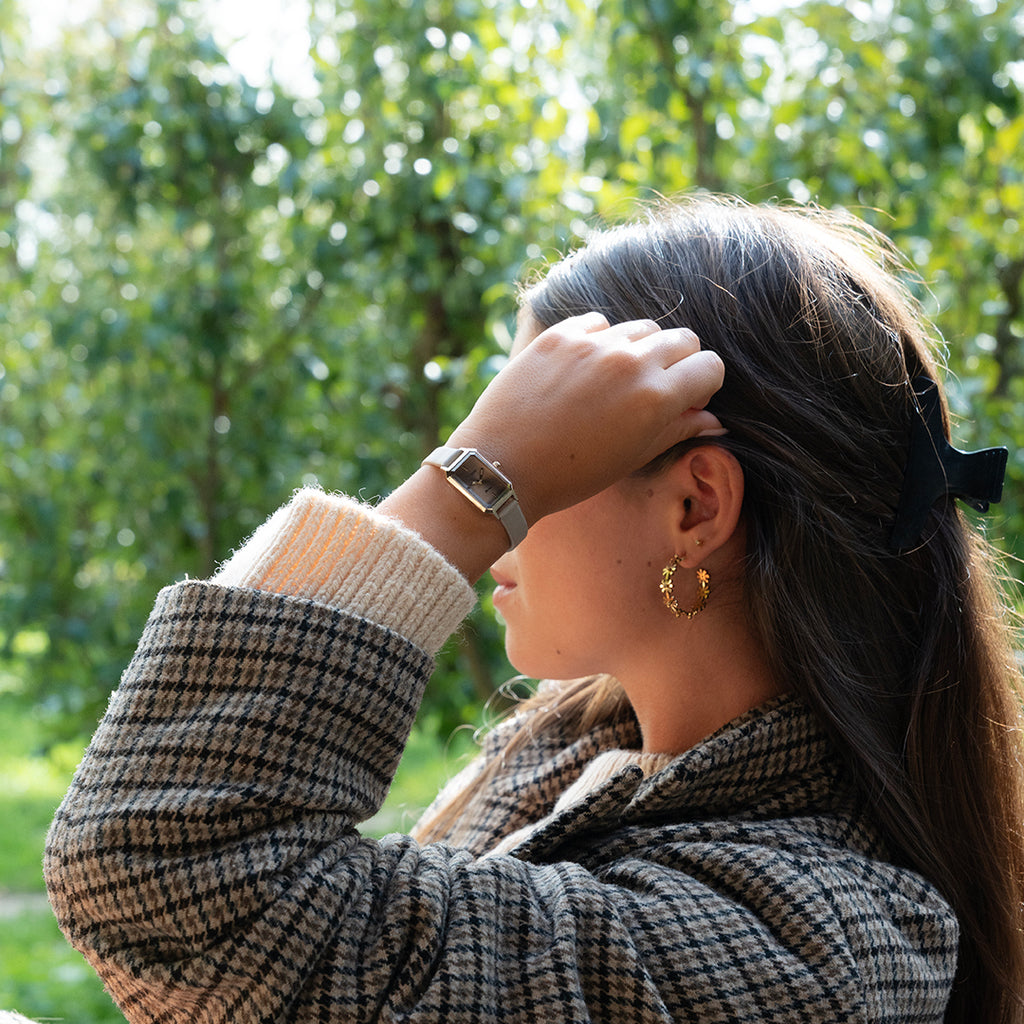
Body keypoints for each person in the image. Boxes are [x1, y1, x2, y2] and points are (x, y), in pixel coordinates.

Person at [45, 197, 1024, 1023]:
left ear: (695, 508)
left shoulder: (808, 948)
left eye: (546, 449)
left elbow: (166, 882)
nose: (502, 511)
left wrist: (468, 491)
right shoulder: (576, 753)